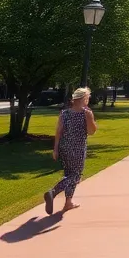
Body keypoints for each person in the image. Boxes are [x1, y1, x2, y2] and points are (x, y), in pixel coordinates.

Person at [44, 87, 97, 215]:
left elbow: (58, 132)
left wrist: (55, 149)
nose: (88, 100)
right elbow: (92, 131)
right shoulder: (86, 113)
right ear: (84, 99)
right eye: (88, 98)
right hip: (78, 149)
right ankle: (53, 191)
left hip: (64, 147)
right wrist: (91, 119)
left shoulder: (64, 113)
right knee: (76, 176)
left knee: (69, 173)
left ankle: (68, 202)